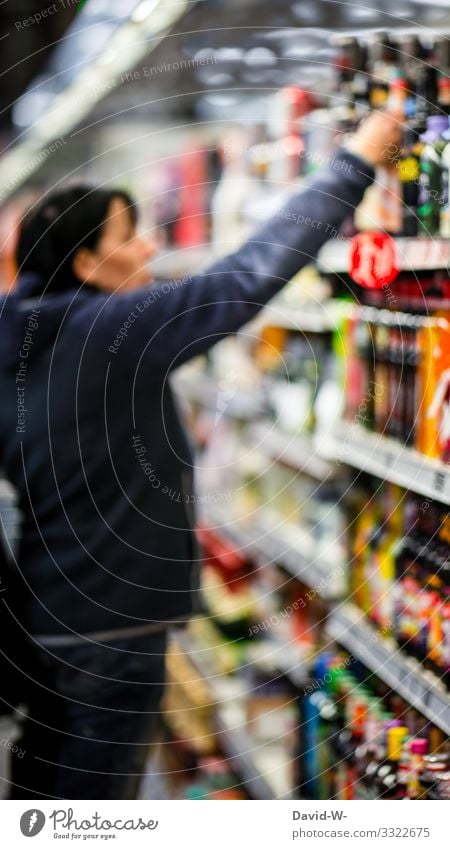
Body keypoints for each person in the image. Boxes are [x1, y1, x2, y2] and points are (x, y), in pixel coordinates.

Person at [0, 111, 401, 799]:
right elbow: (244, 280)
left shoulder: (17, 330)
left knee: (47, 783)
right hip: (113, 619)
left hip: (43, 610)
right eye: (131, 238)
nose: (151, 252)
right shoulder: (105, 330)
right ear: (89, 263)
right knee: (96, 801)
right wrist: (354, 163)